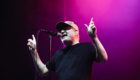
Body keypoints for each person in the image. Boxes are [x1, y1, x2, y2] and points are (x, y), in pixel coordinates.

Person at [27, 18, 108, 80]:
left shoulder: (87, 47)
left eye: (66, 28)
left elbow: (103, 58)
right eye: (60, 30)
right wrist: (34, 51)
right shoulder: (59, 53)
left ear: (76, 32)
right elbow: (43, 71)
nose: (62, 31)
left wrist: (93, 37)